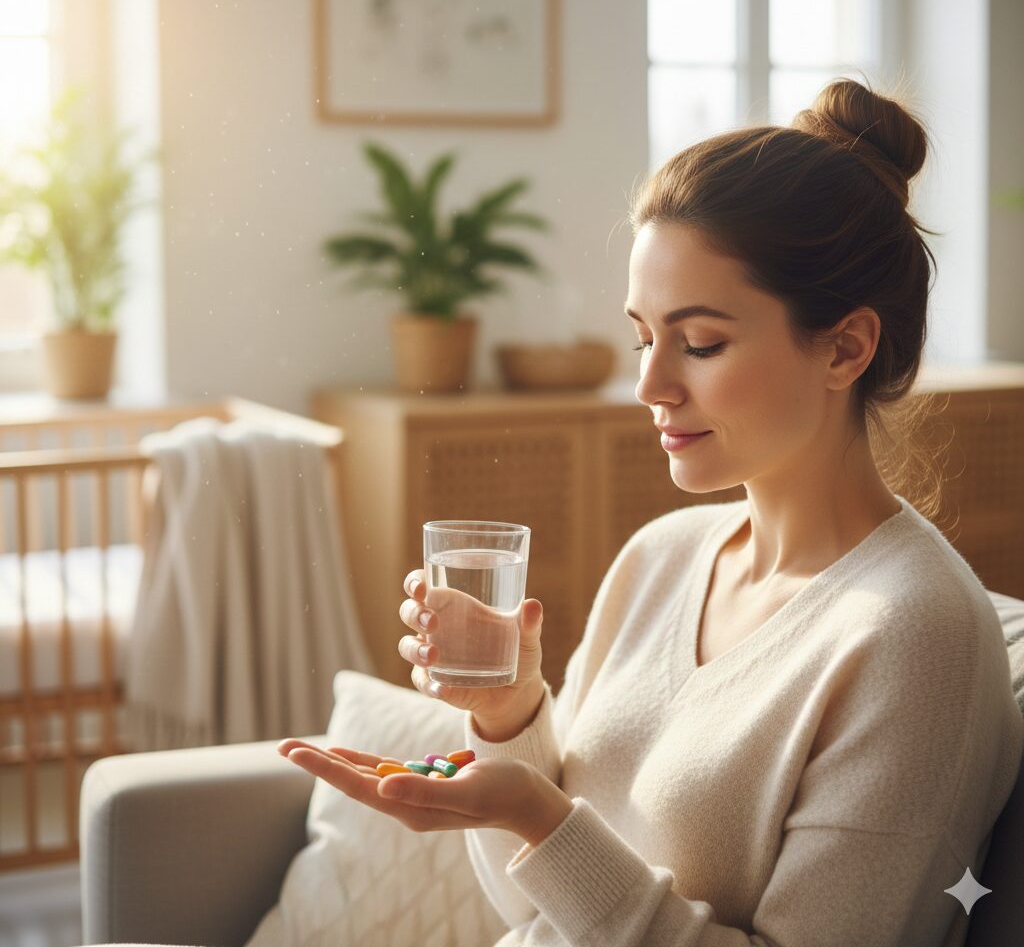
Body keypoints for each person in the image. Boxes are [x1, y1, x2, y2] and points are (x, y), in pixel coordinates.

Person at [279, 78, 1024, 946]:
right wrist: (509, 716)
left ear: (846, 347)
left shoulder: (913, 634)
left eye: (700, 343)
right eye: (644, 337)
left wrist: (542, 819)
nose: (650, 385)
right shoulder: (660, 558)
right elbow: (527, 911)